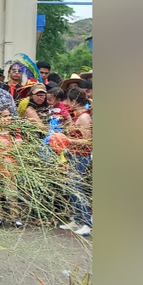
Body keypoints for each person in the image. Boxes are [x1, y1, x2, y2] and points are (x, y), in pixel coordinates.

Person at [60, 88, 93, 236]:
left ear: (74, 101)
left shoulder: (85, 118)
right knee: (71, 187)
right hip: (73, 154)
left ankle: (88, 222)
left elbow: (88, 141)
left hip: (81, 156)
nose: (67, 103)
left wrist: (67, 140)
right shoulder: (77, 116)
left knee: (76, 188)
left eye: (68, 100)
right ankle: (78, 219)